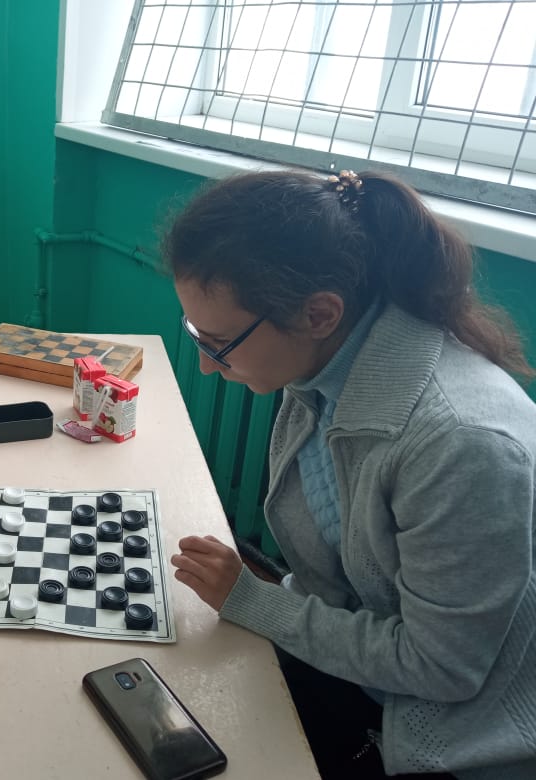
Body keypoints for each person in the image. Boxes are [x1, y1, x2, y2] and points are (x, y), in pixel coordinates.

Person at [165, 169, 536, 780]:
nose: (207, 367)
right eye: (199, 337)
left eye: (220, 343)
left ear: (319, 314)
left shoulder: (464, 444)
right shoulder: (320, 370)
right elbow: (338, 583)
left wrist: (255, 602)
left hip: (455, 742)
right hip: (364, 679)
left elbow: (443, 668)